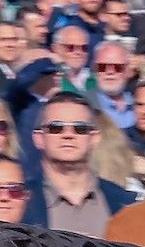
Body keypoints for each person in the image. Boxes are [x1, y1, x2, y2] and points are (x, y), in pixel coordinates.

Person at [21, 92, 133, 234]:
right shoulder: (20, 201)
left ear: (94, 138)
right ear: (39, 138)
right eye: (56, 127)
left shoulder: (123, 201)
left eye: (80, 128)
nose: (68, 135)